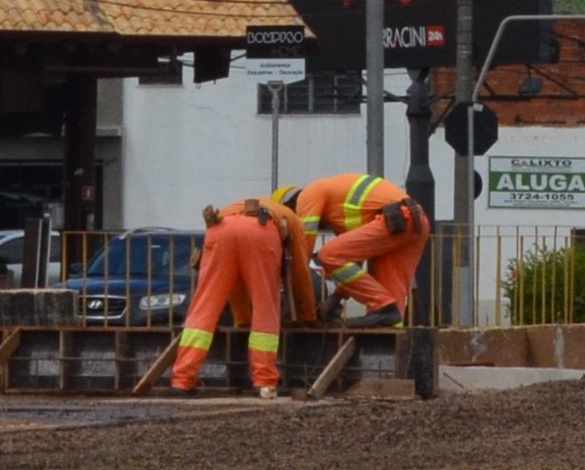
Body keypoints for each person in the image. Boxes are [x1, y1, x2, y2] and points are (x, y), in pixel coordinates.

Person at [172, 192, 304, 399]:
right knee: (265, 309)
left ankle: (182, 380)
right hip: (261, 233)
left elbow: (236, 284)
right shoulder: (291, 218)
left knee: (204, 309)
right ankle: (265, 383)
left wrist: (242, 320)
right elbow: (300, 271)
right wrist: (309, 314)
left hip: (218, 228)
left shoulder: (238, 208)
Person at [283, 171, 426, 322]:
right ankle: (389, 335)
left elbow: (304, 241)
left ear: (290, 208)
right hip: (414, 220)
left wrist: (295, 280)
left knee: (329, 254)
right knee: (391, 304)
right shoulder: (339, 213)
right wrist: (336, 298)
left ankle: (384, 306)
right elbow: (351, 266)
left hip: (395, 218)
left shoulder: (309, 194)